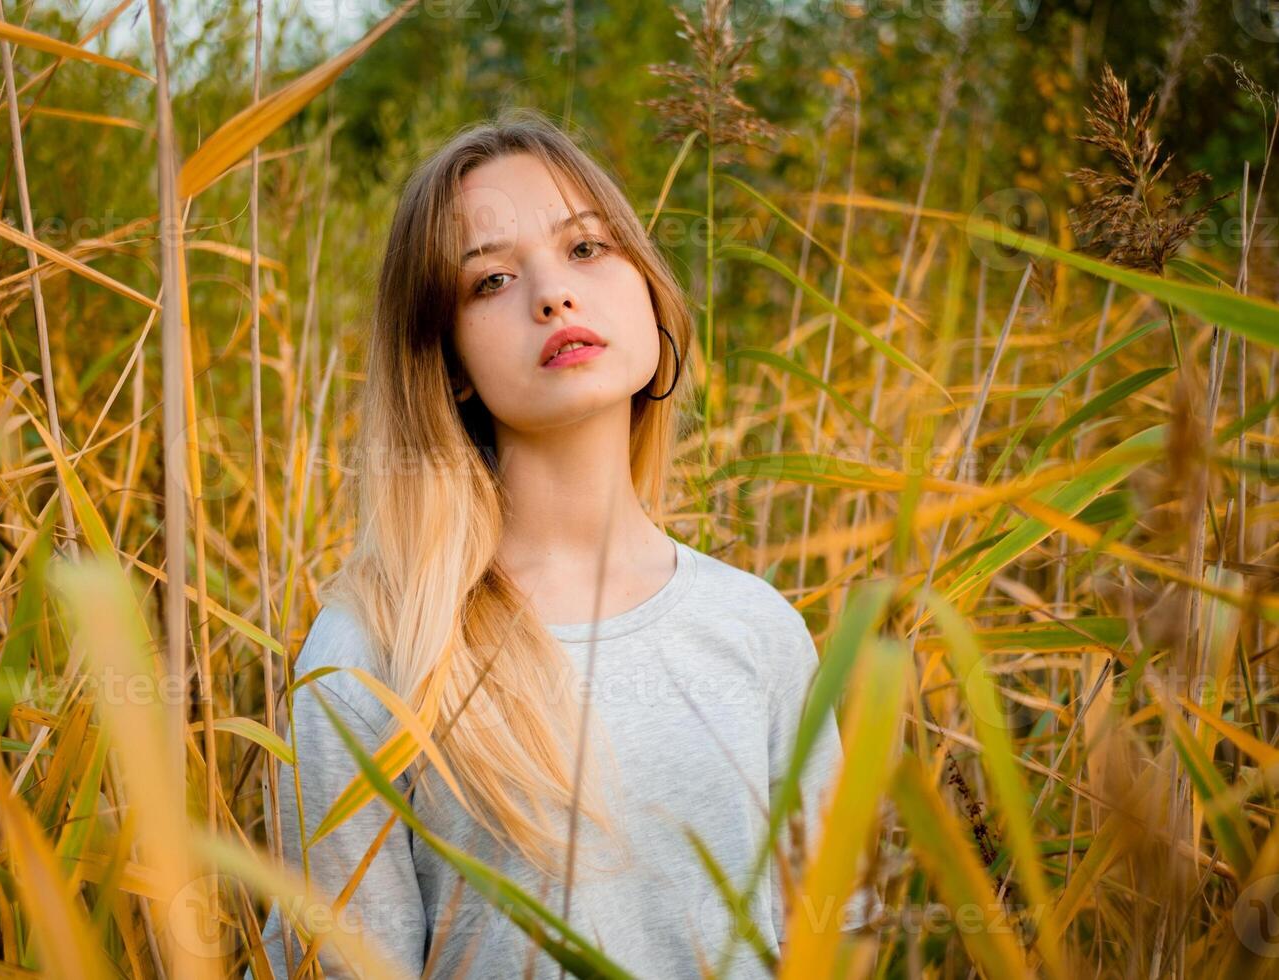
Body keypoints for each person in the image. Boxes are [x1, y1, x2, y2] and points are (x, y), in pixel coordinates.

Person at [251, 108, 871, 979]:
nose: (553, 293)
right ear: (451, 365)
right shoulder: (377, 653)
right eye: (491, 281)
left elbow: (829, 942)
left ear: (649, 293)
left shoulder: (756, 628)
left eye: (585, 249)